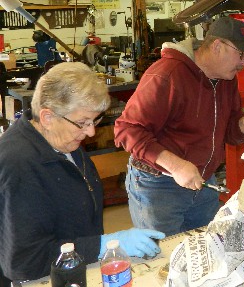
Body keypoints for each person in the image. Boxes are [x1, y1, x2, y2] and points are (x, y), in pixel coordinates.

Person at [0, 62, 165, 282]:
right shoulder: (19, 165)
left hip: (79, 268)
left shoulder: (62, 141)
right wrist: (103, 245)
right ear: (48, 117)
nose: (91, 132)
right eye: (82, 122)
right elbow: (25, 262)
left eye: (94, 120)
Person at [114, 16, 244, 236]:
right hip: (159, 185)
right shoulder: (167, 74)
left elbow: (228, 133)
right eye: (242, 55)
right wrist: (176, 165)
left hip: (204, 183)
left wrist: (242, 125)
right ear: (217, 46)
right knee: (164, 261)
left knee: (207, 254)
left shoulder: (227, 80)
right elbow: (127, 129)